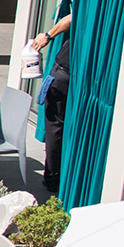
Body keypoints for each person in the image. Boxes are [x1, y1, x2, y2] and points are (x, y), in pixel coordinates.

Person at [30, 12, 75, 198]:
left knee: (55, 128)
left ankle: (52, 179)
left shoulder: (90, 3)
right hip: (65, 73)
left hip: (63, 73)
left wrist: (47, 36)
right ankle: (55, 176)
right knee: (57, 127)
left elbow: (74, 16)